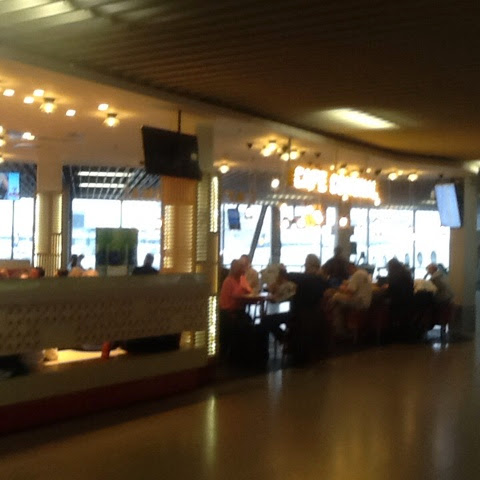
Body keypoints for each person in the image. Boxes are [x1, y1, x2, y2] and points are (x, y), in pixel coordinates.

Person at [328, 264, 372, 336]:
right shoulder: (364, 272)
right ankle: (340, 329)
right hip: (366, 303)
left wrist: (341, 288)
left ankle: (330, 318)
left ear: (351, 268)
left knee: (336, 296)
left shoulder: (356, 274)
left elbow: (350, 291)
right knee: (338, 307)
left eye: (348, 271)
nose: (348, 273)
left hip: (359, 302)